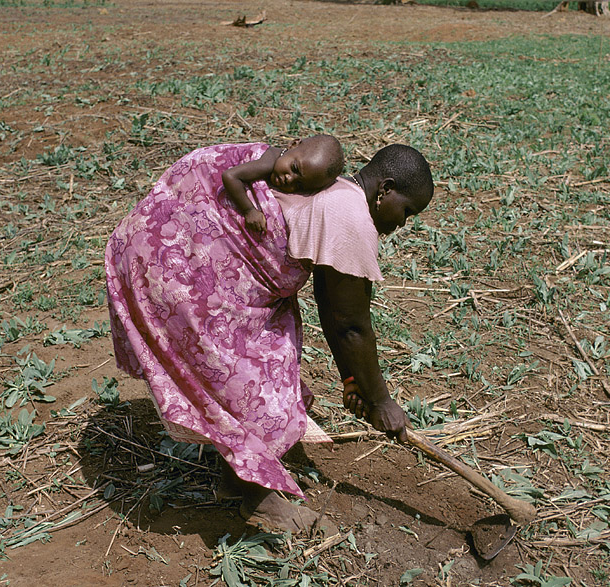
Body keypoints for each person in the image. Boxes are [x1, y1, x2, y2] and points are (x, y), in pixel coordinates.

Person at [105, 141, 433, 533]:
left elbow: (332, 309)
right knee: (249, 368)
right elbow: (351, 324)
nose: (403, 224)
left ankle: (241, 473)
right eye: (407, 210)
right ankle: (257, 498)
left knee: (274, 344)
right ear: (385, 189)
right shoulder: (351, 217)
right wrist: (381, 401)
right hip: (178, 260)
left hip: (166, 243)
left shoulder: (339, 195)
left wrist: (352, 382)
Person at [221, 134, 344, 232]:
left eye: (298, 185)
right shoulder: (267, 163)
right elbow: (230, 176)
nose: (289, 179)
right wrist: (249, 211)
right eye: (294, 168)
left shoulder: (285, 163)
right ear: (293, 144)